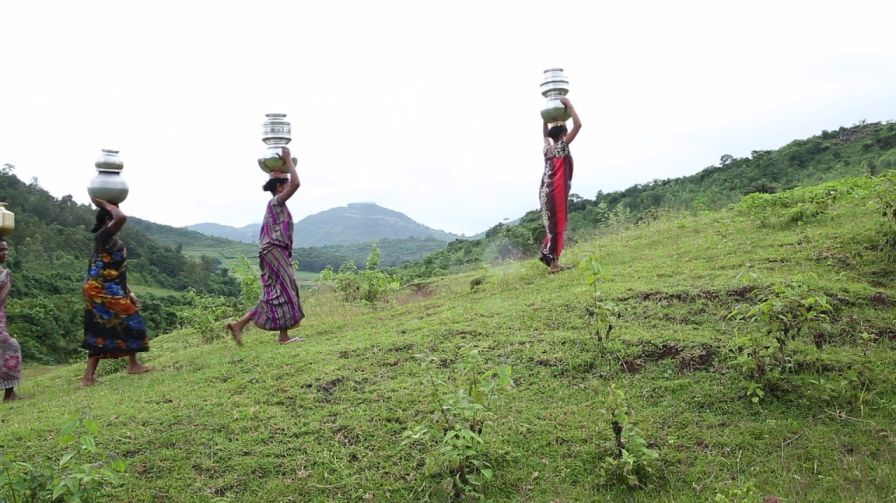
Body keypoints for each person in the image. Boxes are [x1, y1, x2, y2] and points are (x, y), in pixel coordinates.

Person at [227, 146, 305, 345]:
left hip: (273, 252)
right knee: (285, 290)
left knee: (276, 292)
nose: (288, 185)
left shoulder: (276, 205)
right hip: (274, 250)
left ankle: (240, 325)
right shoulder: (276, 202)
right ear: (279, 187)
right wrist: (288, 160)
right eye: (284, 183)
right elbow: (297, 183)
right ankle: (283, 336)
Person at [81, 198, 151, 386]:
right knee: (132, 322)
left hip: (110, 287)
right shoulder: (102, 236)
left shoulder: (111, 240)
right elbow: (121, 217)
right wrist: (102, 203)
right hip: (100, 290)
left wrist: (129, 292)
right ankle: (131, 365)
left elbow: (117, 269)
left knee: (101, 329)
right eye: (112, 214)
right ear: (107, 220)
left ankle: (90, 377)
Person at [539, 96, 582, 273]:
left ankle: (552, 260)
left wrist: (545, 119)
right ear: (563, 134)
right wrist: (570, 105)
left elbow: (544, 135)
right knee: (557, 226)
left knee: (551, 226)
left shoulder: (547, 149)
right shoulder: (561, 146)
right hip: (555, 192)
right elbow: (578, 125)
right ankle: (554, 265)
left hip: (544, 191)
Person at [0, 238, 22, 402]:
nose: (5, 253)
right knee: (12, 346)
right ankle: (9, 394)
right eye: (1, 249)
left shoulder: (5, 273)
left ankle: (10, 393)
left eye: (6, 249)